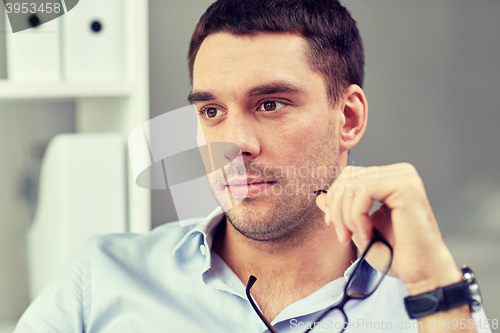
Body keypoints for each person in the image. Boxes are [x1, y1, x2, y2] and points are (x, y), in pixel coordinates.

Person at [15, 0, 492, 332]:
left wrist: (434, 286)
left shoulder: (432, 307)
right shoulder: (100, 279)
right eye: (211, 111)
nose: (233, 144)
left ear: (348, 118)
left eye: (270, 104)